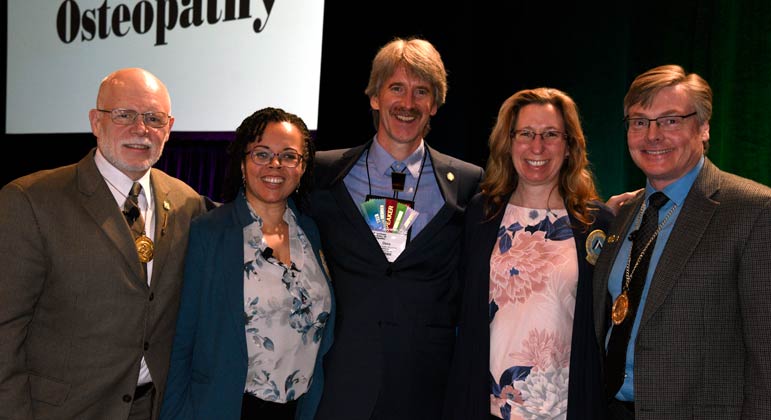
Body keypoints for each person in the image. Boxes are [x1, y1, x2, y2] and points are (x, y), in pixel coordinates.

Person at [0, 68, 206, 419]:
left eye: (153, 118)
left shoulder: (186, 201)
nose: (140, 129)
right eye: (124, 115)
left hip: (155, 407)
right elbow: (6, 328)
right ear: (96, 122)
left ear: (168, 128)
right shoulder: (30, 200)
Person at [593, 64, 771, 419]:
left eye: (670, 120)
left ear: (703, 128)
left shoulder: (759, 212)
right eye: (640, 121)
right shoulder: (624, 213)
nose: (652, 135)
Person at [308, 37, 484, 420]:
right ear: (374, 97)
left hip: (428, 385)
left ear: (435, 105)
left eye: (422, 92)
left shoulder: (469, 183)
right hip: (339, 380)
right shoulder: (322, 174)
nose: (408, 103)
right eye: (397, 88)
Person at [444, 88, 612, 420]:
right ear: (509, 142)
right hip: (490, 404)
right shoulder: (481, 214)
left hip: (565, 405)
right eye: (526, 134)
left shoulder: (596, 222)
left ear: (569, 146)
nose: (538, 147)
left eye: (551, 134)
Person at [159, 107, 334, 420]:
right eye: (262, 154)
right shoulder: (209, 232)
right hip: (228, 406)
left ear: (303, 167)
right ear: (242, 162)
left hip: (301, 409)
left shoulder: (312, 231)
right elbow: (182, 338)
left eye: (289, 156)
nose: (275, 165)